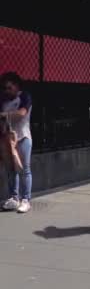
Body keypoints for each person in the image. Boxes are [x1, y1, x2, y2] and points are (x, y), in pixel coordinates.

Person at [1, 72, 34, 213]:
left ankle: (26, 199)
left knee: (24, 169)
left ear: (17, 86)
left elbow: (22, 113)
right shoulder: (3, 99)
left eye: (10, 87)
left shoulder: (24, 97)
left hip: (23, 137)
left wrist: (4, 115)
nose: (7, 91)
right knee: (10, 169)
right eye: (5, 88)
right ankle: (14, 198)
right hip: (7, 138)